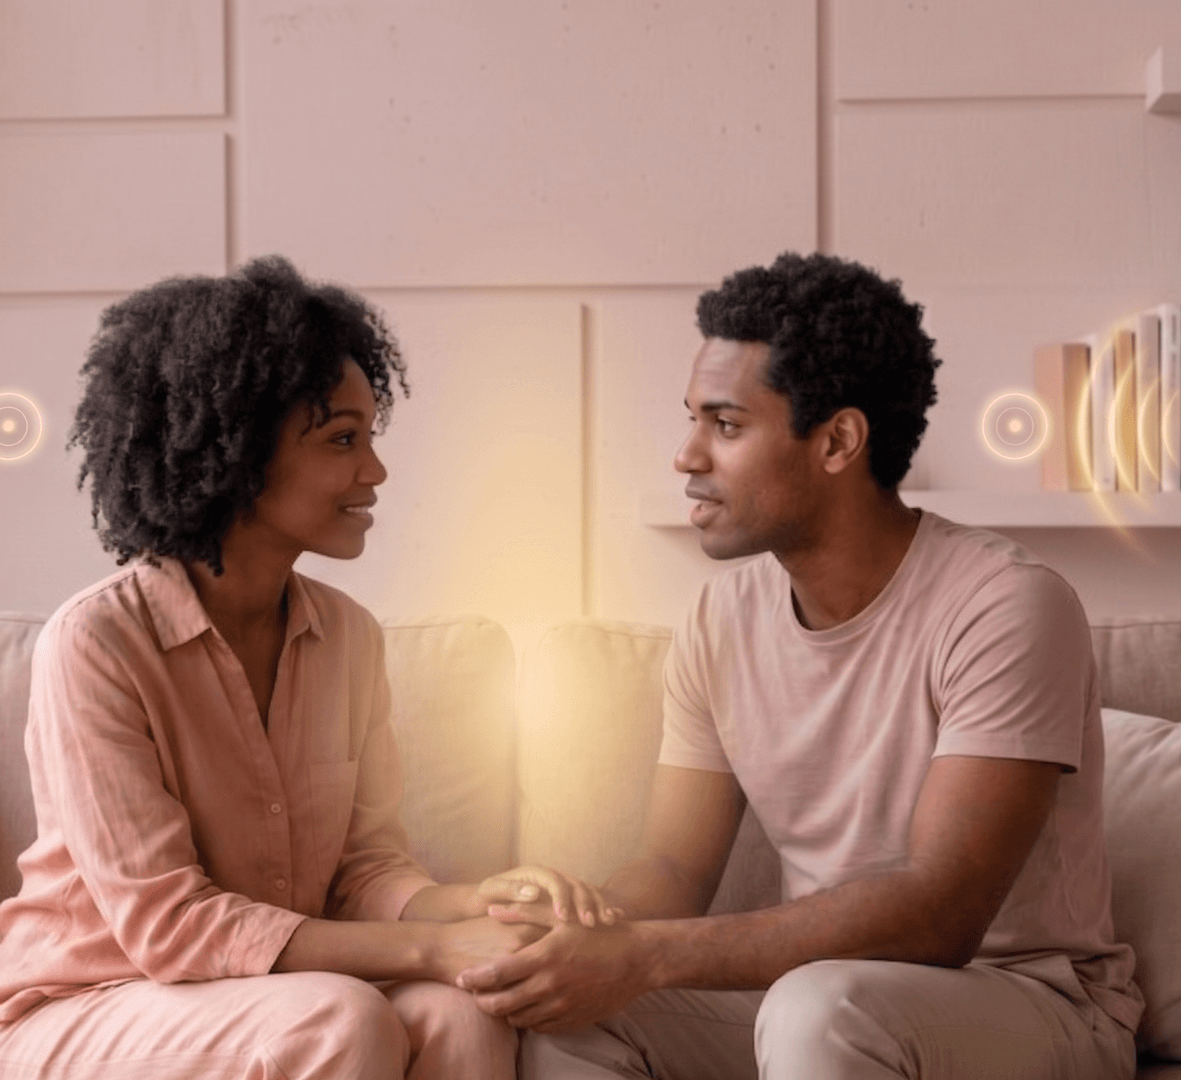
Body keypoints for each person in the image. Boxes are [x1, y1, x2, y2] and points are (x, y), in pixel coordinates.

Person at [458, 252, 1145, 1079]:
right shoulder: (721, 619)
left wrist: (648, 956)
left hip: (1029, 1005)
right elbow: (673, 868)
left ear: (838, 442)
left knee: (819, 1009)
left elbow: (941, 912)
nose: (685, 457)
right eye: (691, 420)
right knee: (556, 1014)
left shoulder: (1006, 605)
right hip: (821, 1006)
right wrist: (581, 935)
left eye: (725, 425)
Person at [0, 256, 614, 1080]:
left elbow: (362, 872)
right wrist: (434, 945)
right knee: (341, 1020)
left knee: (461, 1008)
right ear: (234, 450)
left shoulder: (349, 638)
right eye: (342, 441)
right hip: (70, 1011)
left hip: (256, 998)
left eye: (369, 440)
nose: (373, 473)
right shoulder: (97, 644)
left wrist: (479, 906)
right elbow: (169, 926)